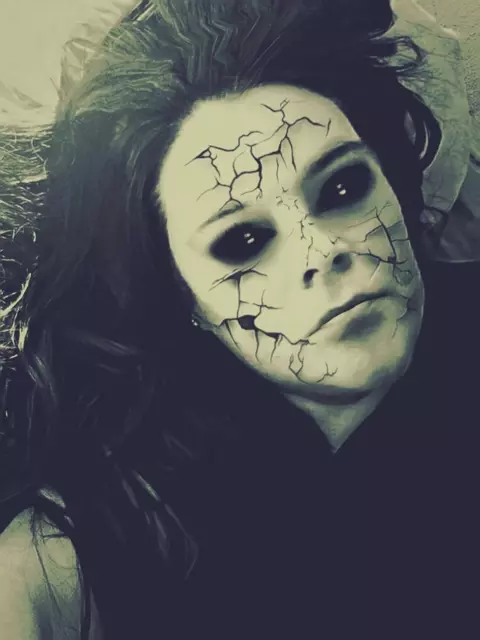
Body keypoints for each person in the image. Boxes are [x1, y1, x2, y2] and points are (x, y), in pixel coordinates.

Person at [0, 1, 478, 638]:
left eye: (343, 188)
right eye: (243, 241)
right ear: (183, 298)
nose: (323, 251)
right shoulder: (112, 530)